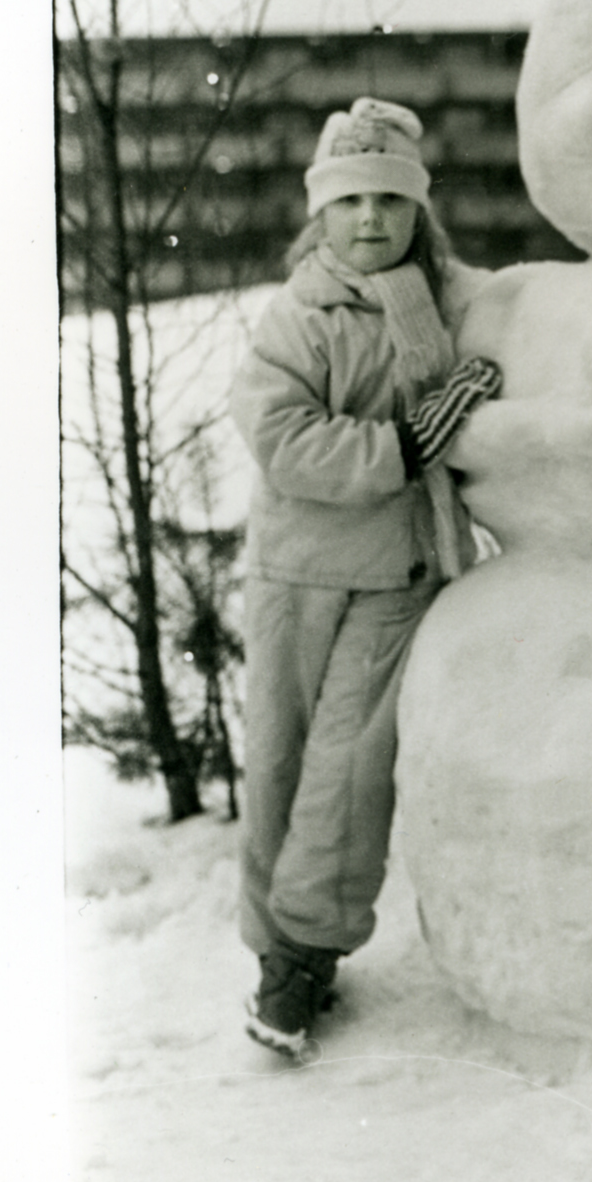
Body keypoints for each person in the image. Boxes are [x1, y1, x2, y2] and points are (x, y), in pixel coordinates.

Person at [230, 98, 501, 1060]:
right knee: (283, 760)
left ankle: (301, 954)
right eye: (351, 202)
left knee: (346, 771)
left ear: (418, 212)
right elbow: (279, 436)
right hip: (300, 574)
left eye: (391, 200)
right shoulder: (297, 314)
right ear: (322, 216)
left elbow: (505, 342)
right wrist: (396, 444)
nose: (372, 219)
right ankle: (274, 939)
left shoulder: (443, 300)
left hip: (399, 573)